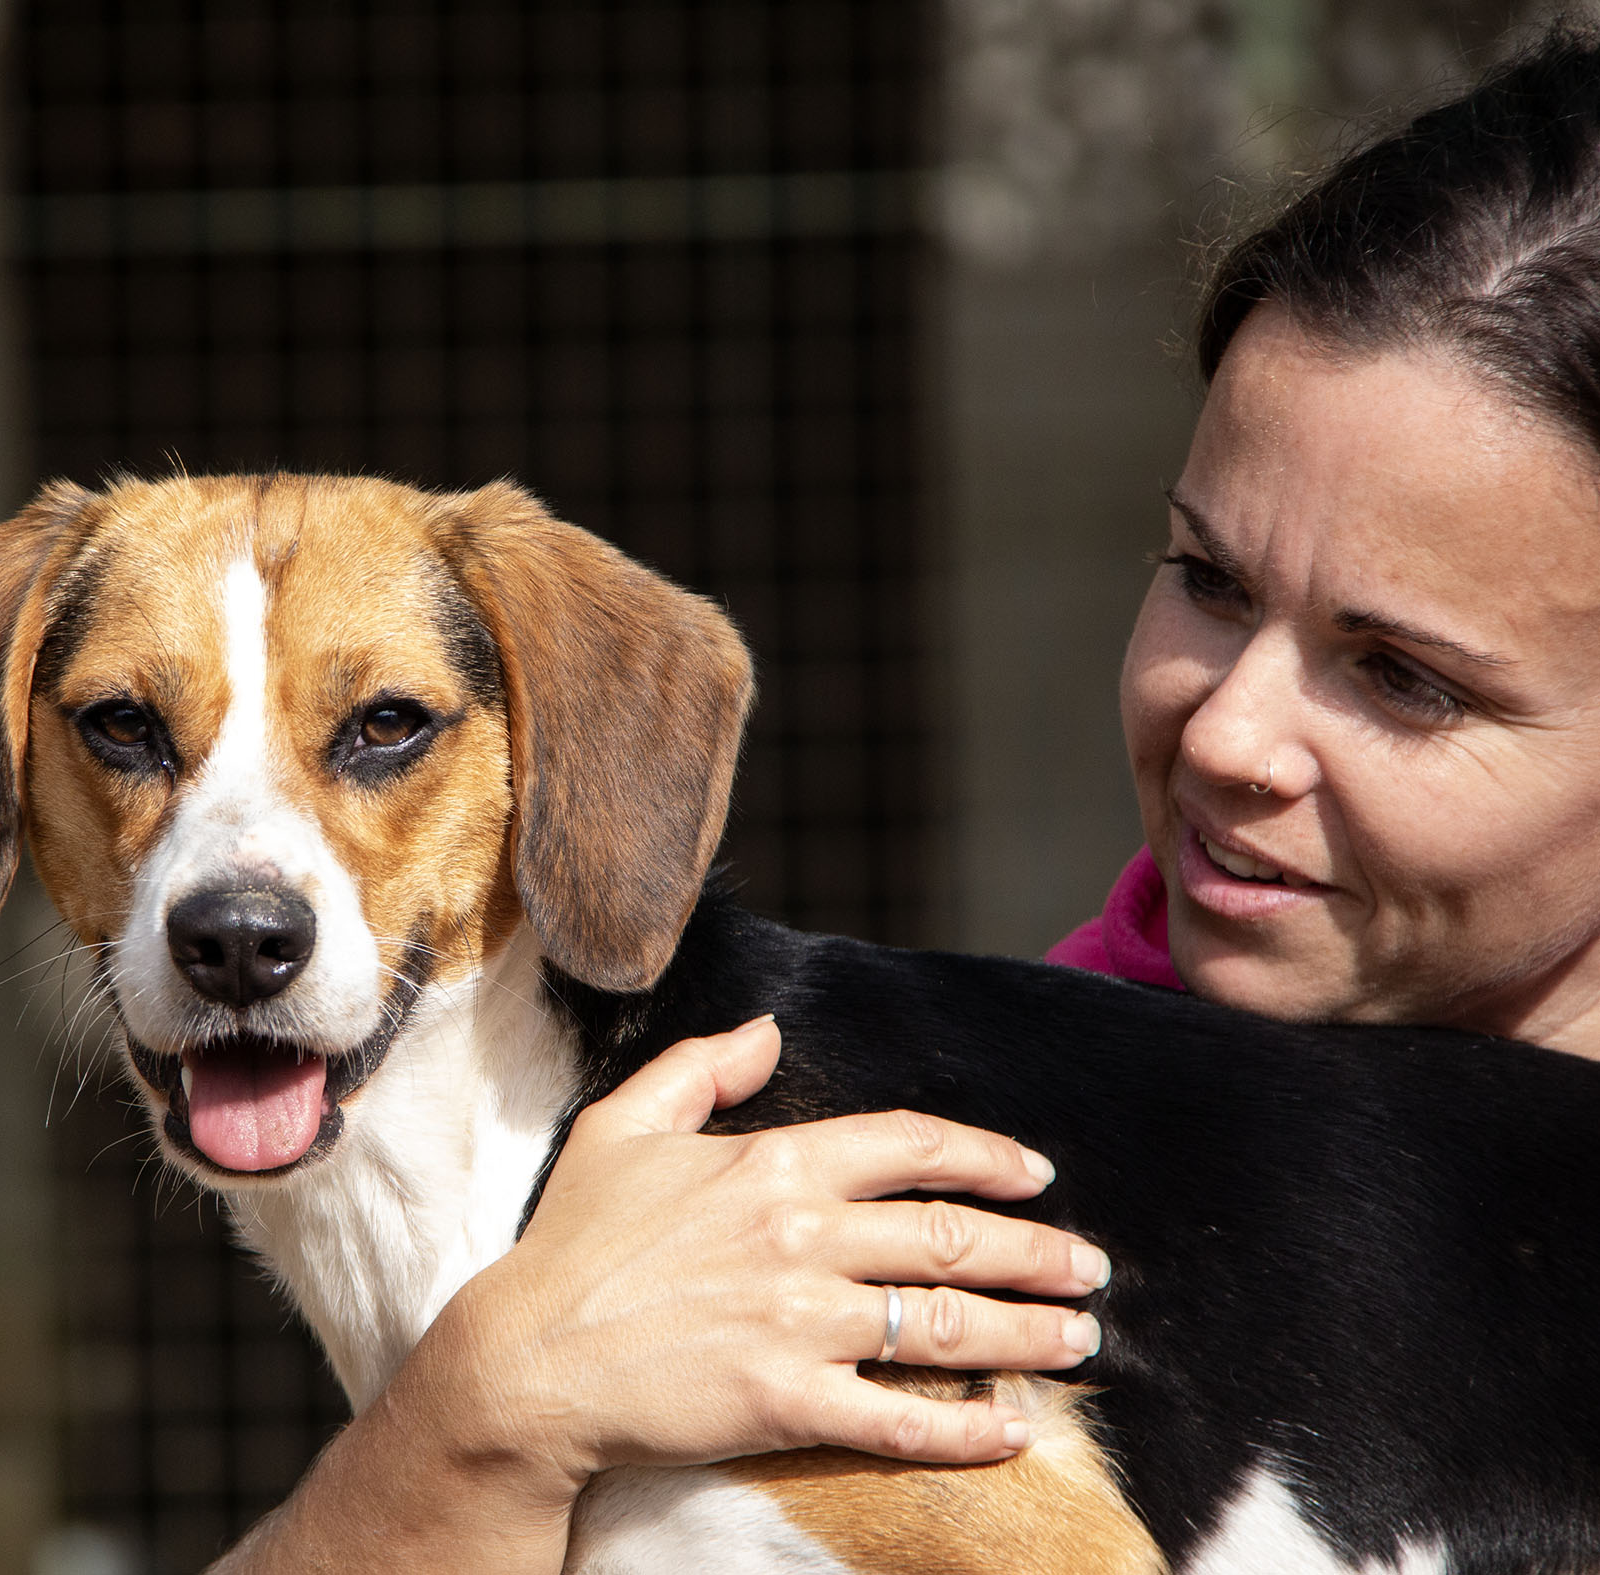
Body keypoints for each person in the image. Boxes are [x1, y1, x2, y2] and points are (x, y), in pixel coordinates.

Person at [211, 24, 1600, 1572]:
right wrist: (475, 1418)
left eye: (1404, 677)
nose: (1227, 734)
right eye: (1205, 580)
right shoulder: (972, 1134)